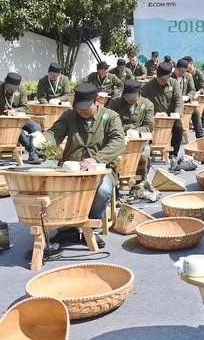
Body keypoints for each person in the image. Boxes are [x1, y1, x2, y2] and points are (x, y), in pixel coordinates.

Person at [43, 83, 125, 245]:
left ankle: (91, 227)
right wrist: (42, 141)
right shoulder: (69, 115)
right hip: (70, 168)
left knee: (102, 191)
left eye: (86, 109)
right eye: (79, 109)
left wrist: (97, 158)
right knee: (55, 187)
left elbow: (118, 141)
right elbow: (54, 134)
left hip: (101, 169)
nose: (82, 112)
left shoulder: (110, 117)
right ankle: (67, 230)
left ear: (97, 102)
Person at [107, 80, 154, 181]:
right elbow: (108, 122)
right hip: (119, 138)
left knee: (146, 153)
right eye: (127, 96)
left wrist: (135, 131)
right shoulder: (115, 103)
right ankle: (114, 183)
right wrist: (120, 132)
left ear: (138, 94)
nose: (129, 99)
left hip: (138, 140)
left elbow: (149, 126)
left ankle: (140, 183)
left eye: (132, 96)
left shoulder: (147, 104)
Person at [141, 62, 184, 157]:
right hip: (154, 116)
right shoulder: (149, 85)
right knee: (146, 126)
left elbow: (178, 99)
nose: (163, 81)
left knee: (178, 127)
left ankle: (173, 153)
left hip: (170, 116)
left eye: (165, 79)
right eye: (160, 79)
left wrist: (177, 113)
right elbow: (140, 100)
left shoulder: (174, 83)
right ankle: (148, 150)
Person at [1, 73, 43, 163]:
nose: (10, 89)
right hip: (2, 119)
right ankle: (34, 153)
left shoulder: (21, 89)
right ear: (5, 83)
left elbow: (25, 106)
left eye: (13, 88)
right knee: (17, 130)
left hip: (18, 117)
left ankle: (34, 152)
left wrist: (15, 111)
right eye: (8, 87)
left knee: (36, 127)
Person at [173, 58, 204, 139]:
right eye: (180, 71)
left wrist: (188, 96)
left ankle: (200, 135)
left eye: (183, 71)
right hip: (174, 103)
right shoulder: (171, 77)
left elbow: (192, 90)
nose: (181, 73)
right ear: (176, 68)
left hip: (186, 101)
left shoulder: (188, 76)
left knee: (195, 112)